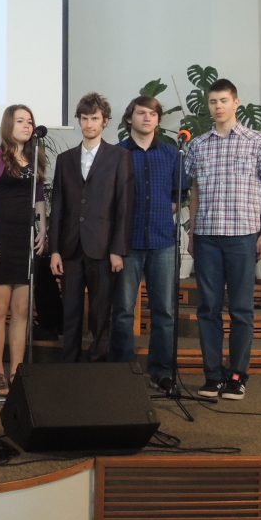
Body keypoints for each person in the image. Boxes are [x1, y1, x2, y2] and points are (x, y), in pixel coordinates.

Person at [185, 79, 261, 401]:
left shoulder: (257, 140)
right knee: (208, 309)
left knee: (241, 309)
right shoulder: (198, 145)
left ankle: (237, 376)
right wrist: (192, 232)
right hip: (207, 236)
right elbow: (194, 191)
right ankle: (213, 376)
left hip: (243, 235)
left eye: (223, 100)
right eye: (213, 101)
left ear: (236, 102)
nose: (218, 106)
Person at [110, 96, 188, 389]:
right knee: (123, 312)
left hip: (162, 241)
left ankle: (162, 373)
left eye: (152, 114)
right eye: (141, 113)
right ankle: (122, 373)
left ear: (158, 120)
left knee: (164, 312)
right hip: (127, 244)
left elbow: (179, 194)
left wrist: (162, 210)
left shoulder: (171, 154)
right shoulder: (116, 154)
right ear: (129, 118)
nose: (147, 118)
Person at [49, 92, 134, 363]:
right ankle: (70, 367)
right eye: (84, 118)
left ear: (105, 121)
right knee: (70, 312)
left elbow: (123, 206)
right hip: (71, 247)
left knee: (101, 313)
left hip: (104, 247)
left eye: (94, 118)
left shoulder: (119, 157)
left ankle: (97, 366)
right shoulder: (65, 159)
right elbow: (58, 207)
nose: (89, 124)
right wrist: (55, 250)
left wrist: (117, 249)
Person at [0, 104, 47, 395]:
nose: (27, 125)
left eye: (30, 121)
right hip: (0, 240)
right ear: (8, 125)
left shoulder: (35, 158)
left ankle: (17, 372)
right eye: (20, 121)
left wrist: (43, 229)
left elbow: (39, 199)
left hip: (25, 240)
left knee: (21, 310)